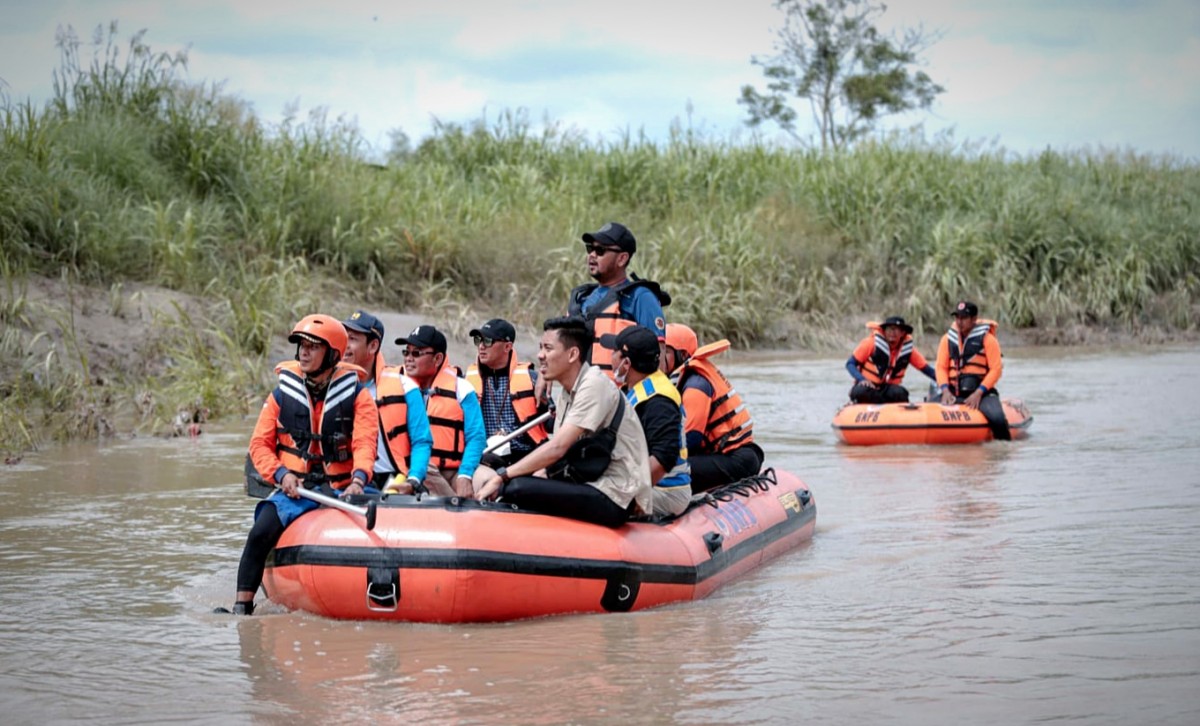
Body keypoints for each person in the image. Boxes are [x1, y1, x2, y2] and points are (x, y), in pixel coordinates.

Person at [221, 314, 379, 615]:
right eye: (302, 346)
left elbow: (364, 443)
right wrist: (282, 475)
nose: (303, 353)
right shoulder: (281, 395)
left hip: (344, 488)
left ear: (332, 354)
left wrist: (359, 480)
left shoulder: (358, 397)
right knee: (260, 532)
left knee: (384, 522)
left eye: (313, 347)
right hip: (296, 490)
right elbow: (259, 445)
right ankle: (242, 606)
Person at [474, 316, 653, 527]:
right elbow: (561, 454)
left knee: (516, 488)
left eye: (548, 348)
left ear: (573, 354)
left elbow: (558, 448)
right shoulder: (567, 393)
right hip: (589, 481)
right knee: (518, 482)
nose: (540, 355)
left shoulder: (594, 385)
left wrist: (502, 477)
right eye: (540, 348)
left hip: (615, 493)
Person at [663, 323, 763, 493]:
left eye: (665, 351)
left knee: (669, 470)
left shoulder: (696, 385)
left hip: (737, 459)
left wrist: (658, 459)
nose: (658, 357)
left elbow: (691, 438)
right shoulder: (686, 379)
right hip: (726, 455)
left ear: (682, 355)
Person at [341, 310, 433, 493]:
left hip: (391, 482)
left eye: (352, 339)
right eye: (343, 337)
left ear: (373, 346)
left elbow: (421, 441)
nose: (345, 345)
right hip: (345, 480)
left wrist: (413, 480)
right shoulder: (330, 387)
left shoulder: (405, 387)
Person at [566, 222, 671, 378]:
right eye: (590, 249)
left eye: (600, 250)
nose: (592, 255)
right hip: (579, 389)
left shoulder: (641, 297)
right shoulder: (582, 298)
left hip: (618, 390)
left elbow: (658, 356)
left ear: (622, 259)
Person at [607, 325, 691, 517]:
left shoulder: (658, 401)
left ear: (626, 363)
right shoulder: (635, 387)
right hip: (645, 483)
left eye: (614, 352)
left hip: (666, 492)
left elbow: (664, 457)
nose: (610, 357)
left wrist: (629, 493)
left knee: (591, 499)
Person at [464, 318, 551, 492]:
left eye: (488, 341)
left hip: (526, 456)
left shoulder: (532, 379)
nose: (481, 346)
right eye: (478, 340)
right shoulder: (466, 382)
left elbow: (552, 423)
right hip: (485, 456)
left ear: (507, 346)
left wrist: (544, 402)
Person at [400, 324, 487, 496]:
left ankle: (458, 504)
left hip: (455, 470)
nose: (409, 358)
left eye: (416, 353)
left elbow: (476, 437)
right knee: (422, 467)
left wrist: (465, 474)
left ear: (438, 358)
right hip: (418, 468)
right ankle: (457, 505)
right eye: (406, 352)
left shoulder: (462, 388)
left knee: (487, 479)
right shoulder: (398, 389)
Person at [936, 300, 1011, 441]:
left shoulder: (988, 340)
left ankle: (1004, 447)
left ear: (974, 319)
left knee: (998, 419)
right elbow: (941, 367)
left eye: (964, 318)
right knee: (930, 406)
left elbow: (996, 369)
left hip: (982, 394)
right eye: (957, 317)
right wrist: (945, 390)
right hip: (953, 392)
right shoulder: (946, 340)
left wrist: (978, 393)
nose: (959, 321)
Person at [845, 315, 937, 404]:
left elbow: (927, 370)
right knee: (861, 392)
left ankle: (891, 409)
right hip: (868, 387)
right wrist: (862, 379)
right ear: (884, 331)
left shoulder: (909, 350)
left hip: (887, 389)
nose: (892, 333)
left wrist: (943, 382)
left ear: (902, 333)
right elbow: (850, 363)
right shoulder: (871, 343)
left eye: (896, 330)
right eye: (889, 329)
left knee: (900, 393)